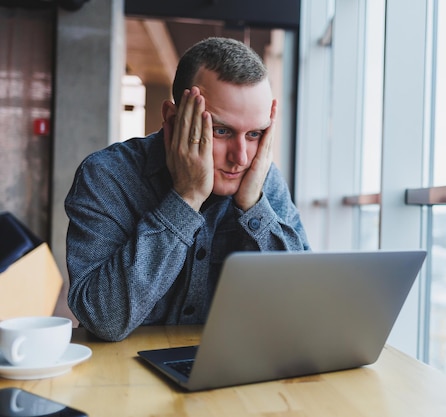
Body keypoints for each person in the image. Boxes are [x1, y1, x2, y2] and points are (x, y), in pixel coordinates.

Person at [65, 37, 310, 342]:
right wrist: (186, 198)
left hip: (225, 370)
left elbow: (303, 310)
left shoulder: (260, 178)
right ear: (171, 118)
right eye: (221, 131)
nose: (241, 157)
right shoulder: (106, 176)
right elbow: (103, 320)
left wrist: (254, 206)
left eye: (255, 134)